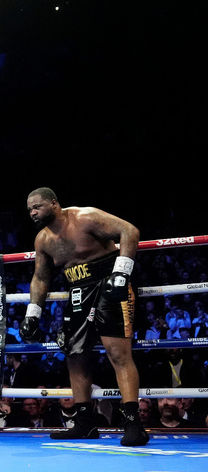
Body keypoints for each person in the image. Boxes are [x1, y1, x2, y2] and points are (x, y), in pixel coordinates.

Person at [20, 188, 149, 447]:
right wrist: (32, 313)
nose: (33, 213)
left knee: (118, 353)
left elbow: (130, 231)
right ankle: (85, 423)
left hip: (110, 282)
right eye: (29, 210)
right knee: (75, 355)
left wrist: (122, 273)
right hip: (78, 290)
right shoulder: (42, 240)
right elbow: (42, 277)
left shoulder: (85, 217)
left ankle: (133, 422)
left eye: (37, 207)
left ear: (54, 203)